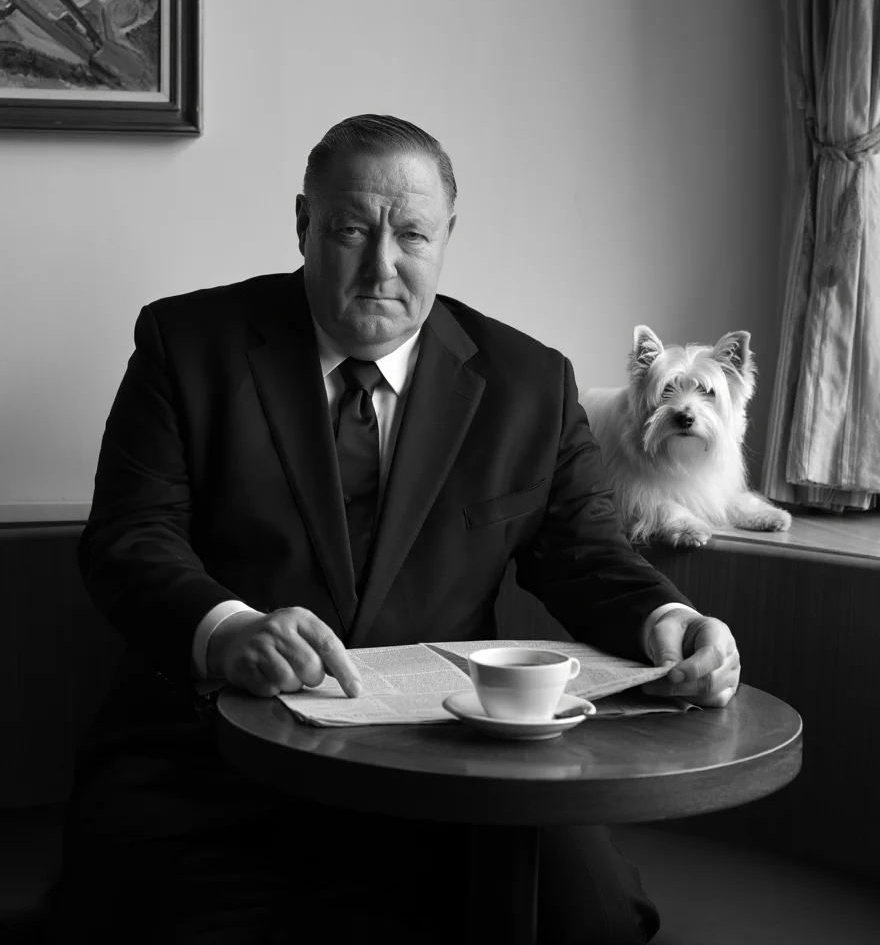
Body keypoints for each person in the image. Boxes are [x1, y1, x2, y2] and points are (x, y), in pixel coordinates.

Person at [53, 115, 741, 945]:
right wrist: (227, 630)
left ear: (448, 235)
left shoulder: (530, 383)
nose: (383, 265)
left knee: (595, 923)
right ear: (304, 223)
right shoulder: (185, 343)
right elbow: (132, 538)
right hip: (213, 766)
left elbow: (585, 552)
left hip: (457, 760)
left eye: (413, 233)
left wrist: (670, 621)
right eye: (350, 229)